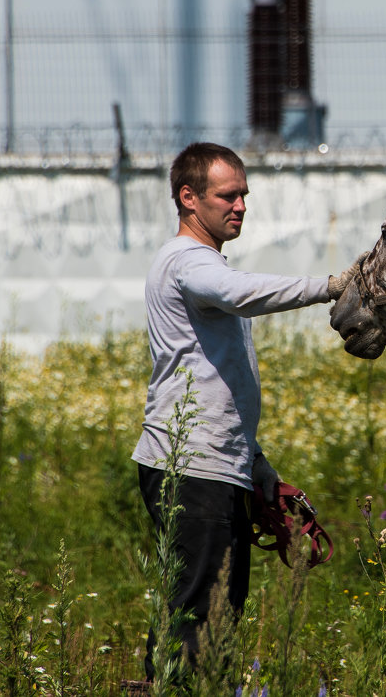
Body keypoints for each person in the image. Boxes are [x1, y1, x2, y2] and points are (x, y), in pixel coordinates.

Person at [131, 141, 353, 681]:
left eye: (244, 195)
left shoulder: (203, 263)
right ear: (188, 198)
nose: (241, 206)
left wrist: (258, 467)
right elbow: (238, 294)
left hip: (217, 464)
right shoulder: (187, 262)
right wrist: (330, 287)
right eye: (227, 195)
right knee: (198, 619)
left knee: (217, 615)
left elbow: (218, 385)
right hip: (191, 467)